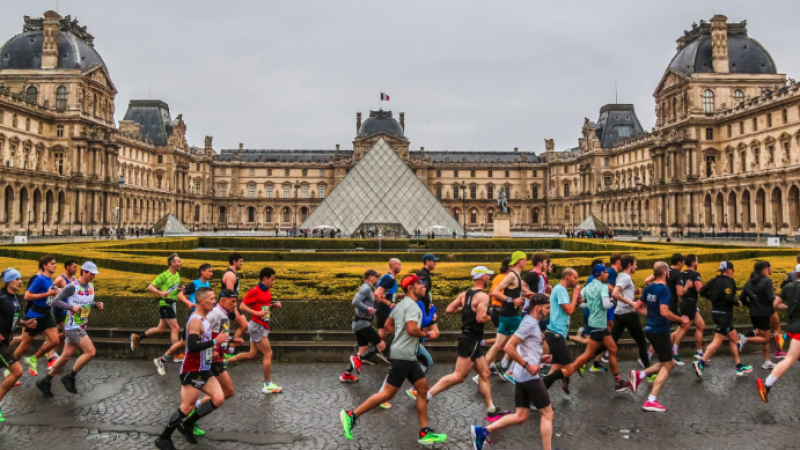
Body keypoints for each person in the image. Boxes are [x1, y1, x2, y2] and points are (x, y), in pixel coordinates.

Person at [339, 275, 447, 445]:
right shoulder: (412, 306)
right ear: (410, 287)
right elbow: (412, 330)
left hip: (406, 354)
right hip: (404, 356)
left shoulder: (401, 304)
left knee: (422, 388)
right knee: (387, 394)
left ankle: (425, 431)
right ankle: (351, 415)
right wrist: (428, 334)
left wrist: (401, 336)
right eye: (418, 284)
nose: (421, 286)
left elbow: (389, 325)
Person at [413, 266, 508, 422]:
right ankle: (426, 395)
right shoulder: (483, 297)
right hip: (471, 340)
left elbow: (450, 309)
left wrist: (468, 310)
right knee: (459, 376)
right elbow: (480, 319)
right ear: (482, 277)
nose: (489, 278)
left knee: (485, 374)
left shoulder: (465, 294)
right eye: (488, 275)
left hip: (470, 339)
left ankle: (491, 410)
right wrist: (493, 315)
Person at [470, 295, 554, 450]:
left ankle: (482, 431)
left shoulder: (531, 323)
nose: (549, 311)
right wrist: (528, 366)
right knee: (548, 413)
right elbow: (509, 347)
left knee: (521, 417)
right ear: (538, 308)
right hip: (529, 376)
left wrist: (541, 358)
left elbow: (525, 348)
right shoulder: (529, 323)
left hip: (522, 376)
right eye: (547, 308)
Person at [154, 287, 229, 450]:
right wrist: (215, 343)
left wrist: (217, 348)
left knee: (219, 398)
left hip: (204, 368)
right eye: (212, 299)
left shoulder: (205, 319)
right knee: (187, 407)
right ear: (201, 301)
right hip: (192, 369)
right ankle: (164, 438)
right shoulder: (195, 321)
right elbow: (193, 346)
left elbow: (205, 343)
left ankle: (188, 424)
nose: (214, 301)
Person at [35, 262, 104, 397]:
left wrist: (96, 305)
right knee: (91, 352)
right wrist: (70, 307)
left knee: (65, 356)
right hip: (73, 326)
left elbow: (85, 304)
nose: (93, 277)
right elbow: (55, 302)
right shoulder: (72, 287)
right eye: (92, 274)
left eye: (94, 274)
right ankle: (70, 377)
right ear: (84, 272)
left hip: (82, 325)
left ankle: (45, 381)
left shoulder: (91, 287)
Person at [628, 261, 688, 412]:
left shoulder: (650, 288)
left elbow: (636, 306)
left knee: (669, 362)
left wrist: (650, 315)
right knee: (668, 364)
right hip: (660, 330)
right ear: (664, 273)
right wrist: (681, 319)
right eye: (668, 271)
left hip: (650, 328)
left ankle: (640, 374)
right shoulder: (664, 290)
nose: (669, 274)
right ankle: (651, 400)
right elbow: (664, 312)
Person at [190, 288, 244, 436]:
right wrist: (213, 349)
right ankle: (193, 413)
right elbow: (202, 333)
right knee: (227, 391)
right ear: (223, 300)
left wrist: (232, 339)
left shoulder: (223, 313)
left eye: (236, 301)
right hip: (213, 359)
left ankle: (194, 410)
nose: (235, 304)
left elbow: (219, 334)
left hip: (217, 357)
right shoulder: (214, 314)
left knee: (224, 392)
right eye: (233, 301)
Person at [570, 264, 629, 392]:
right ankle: (565, 375)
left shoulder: (588, 287)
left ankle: (618, 381)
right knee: (588, 355)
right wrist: (613, 300)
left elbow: (581, 304)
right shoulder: (603, 287)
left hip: (597, 324)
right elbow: (606, 305)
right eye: (606, 273)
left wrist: (590, 305)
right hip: (599, 325)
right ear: (601, 274)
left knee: (612, 349)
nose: (608, 275)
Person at [226, 267, 283, 394]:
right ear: (265, 279)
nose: (273, 282)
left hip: (262, 325)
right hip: (257, 326)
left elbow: (265, 308)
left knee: (252, 355)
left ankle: (224, 361)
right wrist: (256, 312)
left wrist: (273, 306)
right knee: (268, 353)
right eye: (272, 280)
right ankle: (267, 384)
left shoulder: (267, 291)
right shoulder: (255, 291)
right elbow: (242, 306)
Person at [692, 261, 753, 378]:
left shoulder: (714, 280)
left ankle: (739, 366)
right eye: (732, 270)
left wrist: (714, 299)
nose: (733, 273)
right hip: (724, 315)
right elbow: (728, 297)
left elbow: (703, 291)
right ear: (729, 270)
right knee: (717, 341)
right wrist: (737, 303)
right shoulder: (729, 282)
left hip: (716, 312)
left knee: (733, 338)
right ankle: (701, 363)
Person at [154, 264, 213, 375]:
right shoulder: (194, 283)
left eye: (211, 271)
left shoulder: (207, 284)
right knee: (185, 342)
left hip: (202, 317)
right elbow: (180, 295)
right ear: (202, 271)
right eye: (209, 271)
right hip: (194, 317)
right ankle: (162, 360)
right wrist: (189, 303)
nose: (211, 273)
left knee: (186, 342)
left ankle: (163, 360)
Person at [487, 251, 533, 383]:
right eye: (525, 259)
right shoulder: (512, 275)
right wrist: (511, 301)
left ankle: (482, 373)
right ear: (519, 261)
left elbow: (518, 292)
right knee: (526, 339)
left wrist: (527, 296)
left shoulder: (516, 275)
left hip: (505, 315)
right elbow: (495, 293)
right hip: (511, 316)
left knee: (497, 345)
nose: (526, 262)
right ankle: (509, 371)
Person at [757, 265, 800, 403]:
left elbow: (775, 304)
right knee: (789, 360)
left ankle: (783, 338)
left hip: (792, 326)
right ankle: (767, 384)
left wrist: (789, 307)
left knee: (792, 359)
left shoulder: (788, 288)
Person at [0, 268, 38, 422]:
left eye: (21, 279)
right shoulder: (1, 297)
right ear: (9, 281)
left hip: (6, 342)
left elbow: (13, 318)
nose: (21, 282)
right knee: (17, 371)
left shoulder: (15, 298)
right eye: (17, 279)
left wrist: (25, 322)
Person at [15, 254, 61, 377]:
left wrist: (56, 292)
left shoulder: (49, 278)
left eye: (55, 263)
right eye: (52, 263)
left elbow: (48, 293)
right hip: (35, 315)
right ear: (44, 266)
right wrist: (47, 294)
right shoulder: (39, 279)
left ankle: (33, 359)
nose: (55, 265)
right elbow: (27, 296)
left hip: (46, 313)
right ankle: (11, 367)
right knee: (25, 344)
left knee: (55, 340)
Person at [341, 269, 389, 386]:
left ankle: (346, 375)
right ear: (370, 277)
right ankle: (357, 359)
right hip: (363, 324)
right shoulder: (366, 288)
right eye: (376, 277)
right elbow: (355, 301)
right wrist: (367, 309)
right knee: (381, 346)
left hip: (360, 324)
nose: (377, 279)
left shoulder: (368, 289)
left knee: (362, 350)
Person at [131, 253, 183, 355]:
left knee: (161, 329)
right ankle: (177, 354)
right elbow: (150, 287)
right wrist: (161, 293)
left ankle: (137, 338)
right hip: (165, 304)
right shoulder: (163, 275)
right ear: (172, 263)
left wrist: (180, 289)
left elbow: (172, 289)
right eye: (178, 262)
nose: (180, 263)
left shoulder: (177, 274)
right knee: (175, 328)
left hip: (172, 304)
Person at [541, 268, 582, 391]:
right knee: (569, 370)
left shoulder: (561, 290)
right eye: (575, 277)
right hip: (556, 335)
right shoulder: (560, 290)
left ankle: (537, 398)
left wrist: (577, 302)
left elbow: (567, 308)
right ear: (567, 277)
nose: (577, 280)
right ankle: (536, 390)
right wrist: (575, 295)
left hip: (556, 334)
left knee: (556, 368)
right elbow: (569, 311)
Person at [610, 256, 649, 371]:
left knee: (610, 342)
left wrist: (633, 296)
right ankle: (648, 372)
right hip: (628, 314)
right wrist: (631, 303)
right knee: (642, 342)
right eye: (635, 264)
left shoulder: (621, 276)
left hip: (619, 314)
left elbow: (620, 293)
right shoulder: (626, 277)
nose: (636, 266)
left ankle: (585, 361)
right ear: (630, 265)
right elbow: (615, 293)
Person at [739, 261, 778, 369]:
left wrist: (750, 305)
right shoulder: (767, 281)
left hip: (754, 313)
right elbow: (770, 298)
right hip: (764, 313)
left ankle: (767, 361)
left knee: (762, 335)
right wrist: (778, 299)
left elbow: (742, 298)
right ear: (763, 270)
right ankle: (745, 338)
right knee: (765, 339)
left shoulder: (748, 282)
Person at [673, 254, 707, 361]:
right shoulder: (695, 274)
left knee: (701, 325)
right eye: (697, 261)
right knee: (684, 328)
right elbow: (699, 289)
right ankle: (673, 351)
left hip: (684, 303)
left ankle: (699, 352)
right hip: (690, 304)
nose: (698, 263)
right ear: (693, 263)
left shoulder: (681, 274)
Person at [49, 259, 79, 368]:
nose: (76, 269)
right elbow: (50, 289)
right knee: (67, 332)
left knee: (66, 333)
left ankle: (53, 349)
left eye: (76, 267)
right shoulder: (61, 279)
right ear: (67, 267)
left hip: (68, 310)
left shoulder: (74, 279)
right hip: (59, 310)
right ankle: (50, 345)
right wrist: (58, 290)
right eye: (74, 267)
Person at [415, 254, 441, 374]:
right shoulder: (423, 274)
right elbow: (421, 293)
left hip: (427, 309)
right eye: (433, 261)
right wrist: (429, 311)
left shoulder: (426, 274)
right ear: (427, 262)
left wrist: (430, 305)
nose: (435, 263)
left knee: (434, 333)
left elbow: (427, 294)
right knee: (426, 333)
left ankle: (417, 352)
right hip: (423, 310)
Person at [222, 253, 249, 357]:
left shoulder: (233, 274)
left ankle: (230, 351)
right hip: (227, 305)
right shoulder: (230, 275)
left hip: (232, 304)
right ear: (234, 261)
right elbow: (230, 294)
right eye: (240, 261)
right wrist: (235, 310)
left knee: (244, 325)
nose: (242, 263)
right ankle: (224, 353)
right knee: (224, 330)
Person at [374, 259, 402, 341]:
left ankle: (374, 351)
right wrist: (389, 303)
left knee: (382, 335)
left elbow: (386, 294)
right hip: (384, 309)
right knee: (399, 331)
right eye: (399, 265)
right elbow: (376, 293)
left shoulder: (388, 277)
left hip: (382, 309)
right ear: (393, 265)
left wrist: (399, 296)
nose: (401, 267)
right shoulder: (390, 279)